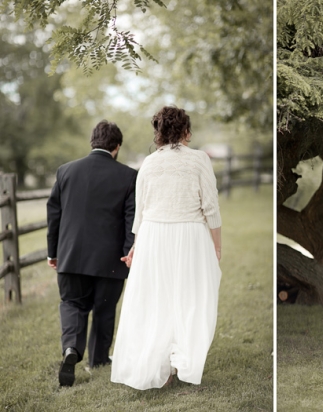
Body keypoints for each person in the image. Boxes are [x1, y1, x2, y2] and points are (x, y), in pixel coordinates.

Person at [110, 106, 222, 390]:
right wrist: (217, 247)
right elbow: (211, 207)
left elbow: (141, 212)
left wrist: (137, 245)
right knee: (190, 298)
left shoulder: (148, 163)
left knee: (156, 298)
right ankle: (178, 361)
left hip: (154, 236)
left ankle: (168, 365)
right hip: (190, 235)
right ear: (186, 131)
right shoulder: (199, 160)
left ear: (158, 132)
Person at [46, 121, 137, 387]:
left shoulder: (65, 171)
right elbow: (131, 219)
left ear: (92, 142)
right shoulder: (129, 175)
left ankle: (72, 350)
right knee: (104, 310)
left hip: (70, 256)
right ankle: (98, 359)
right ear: (117, 147)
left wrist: (54, 252)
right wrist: (127, 253)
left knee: (73, 303)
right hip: (111, 260)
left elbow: (54, 216)